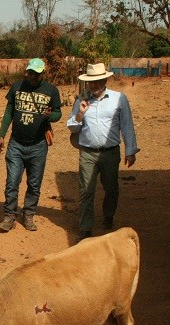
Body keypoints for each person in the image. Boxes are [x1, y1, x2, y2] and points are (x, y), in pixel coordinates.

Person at [66, 63, 140, 242]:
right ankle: (85, 228)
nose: (94, 85)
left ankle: (108, 215)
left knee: (111, 188)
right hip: (88, 153)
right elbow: (72, 127)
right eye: (91, 82)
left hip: (110, 153)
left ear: (105, 80)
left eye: (98, 81)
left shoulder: (119, 99)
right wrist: (80, 114)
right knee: (86, 190)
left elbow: (127, 125)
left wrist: (130, 151)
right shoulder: (81, 100)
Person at [0, 58, 62, 232]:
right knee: (12, 182)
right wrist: (1, 134)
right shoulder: (17, 87)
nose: (32, 76)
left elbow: (58, 113)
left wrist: (50, 115)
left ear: (42, 74)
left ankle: (29, 214)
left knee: (34, 183)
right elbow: (9, 111)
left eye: (36, 74)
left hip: (38, 145)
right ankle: (9, 215)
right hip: (16, 143)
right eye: (30, 72)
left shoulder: (51, 90)